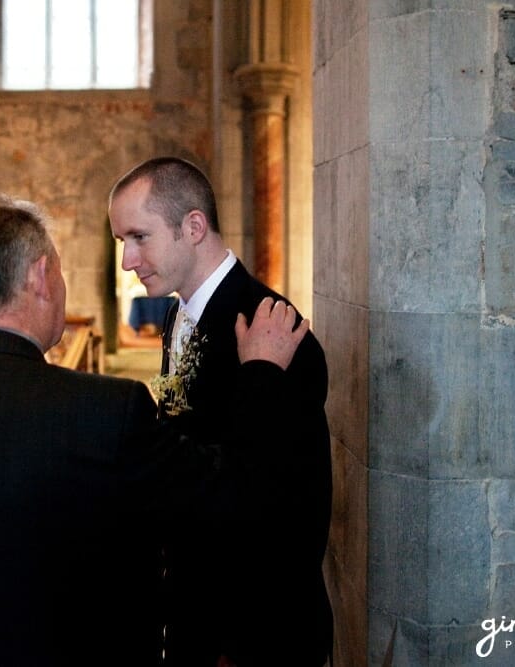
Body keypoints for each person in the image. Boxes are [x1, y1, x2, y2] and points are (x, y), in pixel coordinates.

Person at [0, 194, 308, 666]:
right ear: (39, 276)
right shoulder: (104, 413)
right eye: (57, 269)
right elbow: (234, 495)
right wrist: (262, 373)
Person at [109, 157, 333, 666]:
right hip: (196, 612)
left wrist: (234, 646)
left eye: (139, 237)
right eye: (123, 241)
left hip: (255, 632)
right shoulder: (177, 314)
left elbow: (282, 504)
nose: (127, 259)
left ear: (193, 226)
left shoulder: (270, 330)